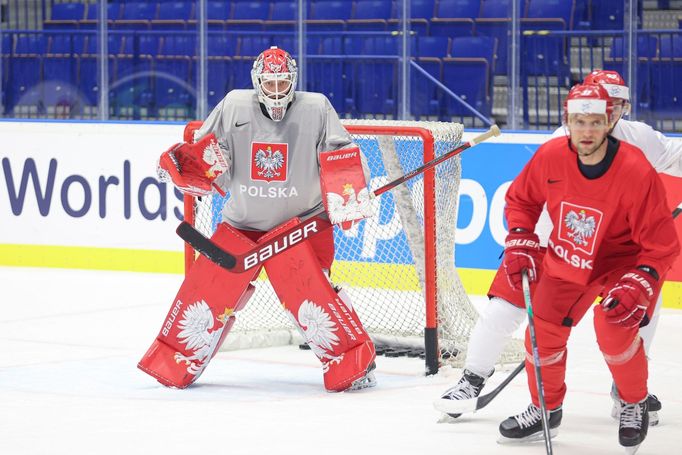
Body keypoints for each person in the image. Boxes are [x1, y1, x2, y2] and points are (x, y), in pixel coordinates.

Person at [436, 69, 682, 426]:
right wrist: (522, 239)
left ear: (622, 109)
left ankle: (627, 389)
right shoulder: (566, 140)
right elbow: (527, 197)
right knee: (503, 310)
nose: (607, 117)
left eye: (615, 108)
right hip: (553, 245)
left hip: (613, 254)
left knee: (641, 306)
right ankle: (472, 378)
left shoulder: (639, 138)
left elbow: (677, 155)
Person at [138, 46, 378, 393]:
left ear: (293, 82)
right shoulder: (235, 105)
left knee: (313, 298)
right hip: (242, 224)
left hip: (302, 224)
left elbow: (342, 154)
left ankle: (357, 360)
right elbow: (207, 155)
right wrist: (180, 166)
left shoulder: (316, 108)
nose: (277, 91)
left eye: (283, 84)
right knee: (205, 292)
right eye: (271, 84)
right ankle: (175, 358)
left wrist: (354, 183)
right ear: (257, 82)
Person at [499, 84, 678, 449]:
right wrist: (519, 236)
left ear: (609, 122)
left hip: (622, 263)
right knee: (543, 329)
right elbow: (521, 199)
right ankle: (545, 409)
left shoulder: (634, 168)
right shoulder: (550, 156)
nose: (586, 131)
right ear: (567, 121)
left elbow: (662, 242)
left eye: (595, 122)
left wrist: (642, 280)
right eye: (579, 122)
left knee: (613, 326)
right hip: (570, 257)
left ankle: (633, 402)